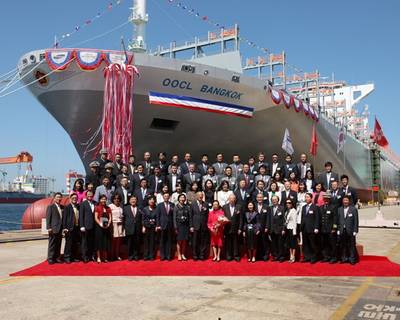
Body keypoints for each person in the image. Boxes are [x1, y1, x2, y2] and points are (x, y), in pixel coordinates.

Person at [338, 195, 359, 265]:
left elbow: (356, 221)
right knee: (343, 245)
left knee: (351, 245)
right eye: (344, 200)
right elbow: (338, 220)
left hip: (351, 231)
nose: (345, 202)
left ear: (349, 201)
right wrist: (338, 229)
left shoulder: (353, 209)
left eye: (346, 200)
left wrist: (355, 230)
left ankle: (352, 259)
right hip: (342, 230)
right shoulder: (339, 209)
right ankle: (344, 258)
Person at [301, 193, 320, 264]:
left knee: (312, 244)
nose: (306, 198)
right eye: (305, 197)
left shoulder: (315, 207)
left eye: (308, 197)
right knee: (305, 244)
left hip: (312, 229)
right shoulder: (303, 207)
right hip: (304, 228)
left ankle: (313, 257)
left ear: (311, 198)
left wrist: (316, 227)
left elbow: (317, 218)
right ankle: (306, 257)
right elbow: (303, 218)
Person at [190, 191, 209, 260]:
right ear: (196, 196)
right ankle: (195, 255)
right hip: (195, 225)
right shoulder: (192, 204)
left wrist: (207, 224)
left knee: (203, 241)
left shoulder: (205, 204)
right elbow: (191, 216)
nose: (200, 196)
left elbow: (207, 215)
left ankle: (202, 255)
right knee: (195, 241)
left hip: (203, 225)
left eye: (201, 195)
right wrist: (191, 226)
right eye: (199, 195)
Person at [319, 192, 338, 264]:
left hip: (330, 230)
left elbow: (335, 219)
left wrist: (334, 228)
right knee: (324, 244)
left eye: (327, 198)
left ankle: (333, 257)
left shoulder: (333, 207)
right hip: (323, 229)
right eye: (325, 198)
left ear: (330, 199)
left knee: (332, 244)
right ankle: (326, 257)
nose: (326, 200)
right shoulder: (321, 207)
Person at [222, 194, 242, 262]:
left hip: (236, 228)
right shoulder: (224, 207)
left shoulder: (239, 207)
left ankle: (236, 256)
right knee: (228, 243)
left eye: (233, 199)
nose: (232, 200)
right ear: (228, 199)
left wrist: (240, 228)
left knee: (236, 243)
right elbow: (222, 217)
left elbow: (241, 219)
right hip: (227, 228)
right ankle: (229, 256)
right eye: (231, 199)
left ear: (235, 199)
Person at [46, 192, 64, 264]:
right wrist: (49, 227)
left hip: (60, 229)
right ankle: (50, 258)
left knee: (58, 244)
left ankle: (57, 257)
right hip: (53, 228)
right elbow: (48, 218)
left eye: (60, 197)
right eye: (57, 197)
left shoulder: (63, 207)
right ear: (54, 198)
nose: (59, 199)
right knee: (52, 244)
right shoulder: (51, 207)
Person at [156, 192, 175, 261]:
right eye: (165, 196)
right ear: (163, 197)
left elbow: (173, 216)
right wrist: (158, 225)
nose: (166, 197)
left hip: (170, 225)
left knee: (169, 241)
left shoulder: (172, 205)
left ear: (169, 197)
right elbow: (157, 216)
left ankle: (168, 256)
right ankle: (162, 256)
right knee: (162, 241)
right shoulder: (159, 205)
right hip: (162, 225)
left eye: (167, 196)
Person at [62, 193, 81, 263]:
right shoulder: (67, 207)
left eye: (76, 198)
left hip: (77, 228)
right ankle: (67, 257)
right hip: (69, 228)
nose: (74, 199)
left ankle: (74, 257)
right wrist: (64, 228)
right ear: (70, 199)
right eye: (73, 198)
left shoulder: (79, 206)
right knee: (68, 244)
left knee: (76, 243)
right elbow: (64, 218)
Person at [124, 195, 143, 261]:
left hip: (137, 227)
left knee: (137, 242)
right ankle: (130, 255)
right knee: (130, 243)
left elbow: (142, 218)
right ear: (129, 201)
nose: (133, 201)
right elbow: (124, 219)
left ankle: (136, 255)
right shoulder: (125, 208)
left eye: (134, 199)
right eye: (132, 199)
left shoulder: (140, 208)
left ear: (136, 201)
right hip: (129, 228)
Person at [94, 195, 112, 263]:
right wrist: (100, 224)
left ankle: (105, 257)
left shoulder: (108, 208)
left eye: (105, 199)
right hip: (99, 228)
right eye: (102, 199)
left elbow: (110, 217)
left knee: (105, 242)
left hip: (106, 227)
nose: (103, 200)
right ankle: (98, 257)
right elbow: (96, 218)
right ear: (99, 200)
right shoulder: (97, 207)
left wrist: (109, 224)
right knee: (99, 242)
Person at [79, 190, 96, 263]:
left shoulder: (95, 203)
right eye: (88, 194)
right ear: (86, 195)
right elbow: (81, 215)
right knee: (84, 242)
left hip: (94, 226)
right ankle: (84, 257)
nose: (90, 196)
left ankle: (91, 255)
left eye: (91, 194)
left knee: (91, 242)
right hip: (85, 226)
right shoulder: (83, 204)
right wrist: (82, 226)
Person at [173, 194, 191, 261]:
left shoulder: (187, 207)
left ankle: (183, 254)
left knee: (184, 241)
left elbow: (189, 217)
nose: (182, 199)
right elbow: (174, 218)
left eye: (183, 197)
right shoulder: (176, 207)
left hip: (185, 226)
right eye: (181, 197)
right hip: (179, 226)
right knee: (179, 241)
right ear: (179, 199)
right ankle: (179, 254)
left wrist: (190, 226)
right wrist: (175, 227)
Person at [255, 193, 271, 261]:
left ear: (263, 198)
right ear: (256, 198)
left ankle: (265, 255)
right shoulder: (254, 206)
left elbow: (268, 218)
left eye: (261, 197)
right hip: (256, 228)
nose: (259, 199)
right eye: (258, 197)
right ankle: (258, 256)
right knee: (257, 242)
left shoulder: (266, 206)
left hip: (264, 227)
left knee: (265, 242)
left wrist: (267, 227)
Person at [270, 195, 286, 262]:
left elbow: (284, 220)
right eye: (273, 199)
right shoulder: (270, 208)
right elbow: (269, 219)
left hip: (280, 229)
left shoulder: (282, 208)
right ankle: (275, 256)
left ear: (278, 200)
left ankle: (281, 256)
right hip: (272, 229)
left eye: (275, 199)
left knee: (280, 244)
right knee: (274, 244)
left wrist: (283, 229)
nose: (274, 200)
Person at [109, 194, 125, 261]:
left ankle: (117, 255)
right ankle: (112, 256)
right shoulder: (110, 206)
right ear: (113, 199)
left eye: (118, 198)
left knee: (119, 242)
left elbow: (122, 217)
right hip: (113, 225)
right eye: (115, 198)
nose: (116, 199)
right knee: (113, 242)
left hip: (120, 225)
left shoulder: (121, 207)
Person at [142, 195, 157, 260]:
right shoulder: (145, 209)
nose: (152, 201)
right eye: (150, 200)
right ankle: (146, 255)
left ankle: (151, 256)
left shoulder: (156, 208)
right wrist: (143, 226)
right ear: (148, 201)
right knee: (146, 242)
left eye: (153, 200)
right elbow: (143, 218)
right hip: (147, 227)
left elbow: (157, 218)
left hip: (153, 227)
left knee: (152, 242)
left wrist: (157, 226)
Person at [284, 199, 298, 263]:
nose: (288, 204)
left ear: (292, 203)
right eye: (287, 203)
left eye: (289, 203)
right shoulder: (287, 211)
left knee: (293, 244)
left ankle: (293, 257)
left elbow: (295, 222)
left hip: (292, 229)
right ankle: (290, 256)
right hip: (288, 228)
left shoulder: (294, 211)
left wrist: (295, 231)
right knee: (289, 244)